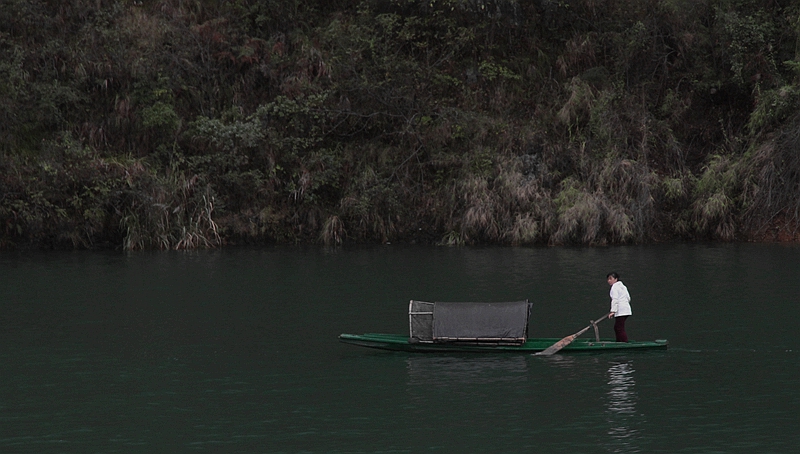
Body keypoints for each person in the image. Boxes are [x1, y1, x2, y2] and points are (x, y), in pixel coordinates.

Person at [606, 272, 632, 342]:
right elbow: (628, 298)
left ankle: (624, 342)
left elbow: (615, 299)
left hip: (621, 310)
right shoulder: (623, 287)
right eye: (608, 279)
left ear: (616, 279)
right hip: (626, 309)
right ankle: (619, 341)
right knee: (618, 327)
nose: (609, 281)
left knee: (619, 328)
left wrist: (613, 311)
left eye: (611, 279)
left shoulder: (614, 287)